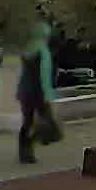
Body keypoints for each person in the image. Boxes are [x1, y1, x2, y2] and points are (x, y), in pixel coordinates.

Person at [13, 21, 62, 166]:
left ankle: (24, 152)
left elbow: (24, 74)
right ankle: (35, 143)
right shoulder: (43, 51)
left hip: (25, 92)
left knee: (27, 122)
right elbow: (44, 76)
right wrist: (48, 96)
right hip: (38, 93)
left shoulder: (27, 50)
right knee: (50, 126)